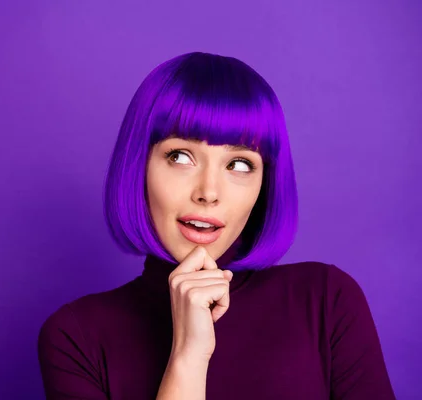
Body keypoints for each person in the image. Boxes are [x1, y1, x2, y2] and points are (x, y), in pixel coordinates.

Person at [37, 52, 396, 399]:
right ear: (139, 167)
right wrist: (188, 357)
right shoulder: (75, 338)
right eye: (180, 156)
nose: (208, 193)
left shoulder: (326, 301)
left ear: (264, 184)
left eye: (239, 164)